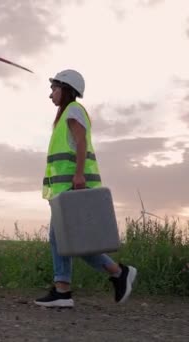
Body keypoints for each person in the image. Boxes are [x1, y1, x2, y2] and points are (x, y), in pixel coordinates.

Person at [34, 69, 137, 308]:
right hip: (65, 191)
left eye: (53, 89)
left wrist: (79, 175)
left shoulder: (73, 111)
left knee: (70, 240)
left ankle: (113, 273)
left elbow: (81, 144)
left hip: (74, 187)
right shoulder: (64, 116)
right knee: (62, 239)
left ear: (66, 88)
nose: (50, 95)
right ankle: (65, 289)